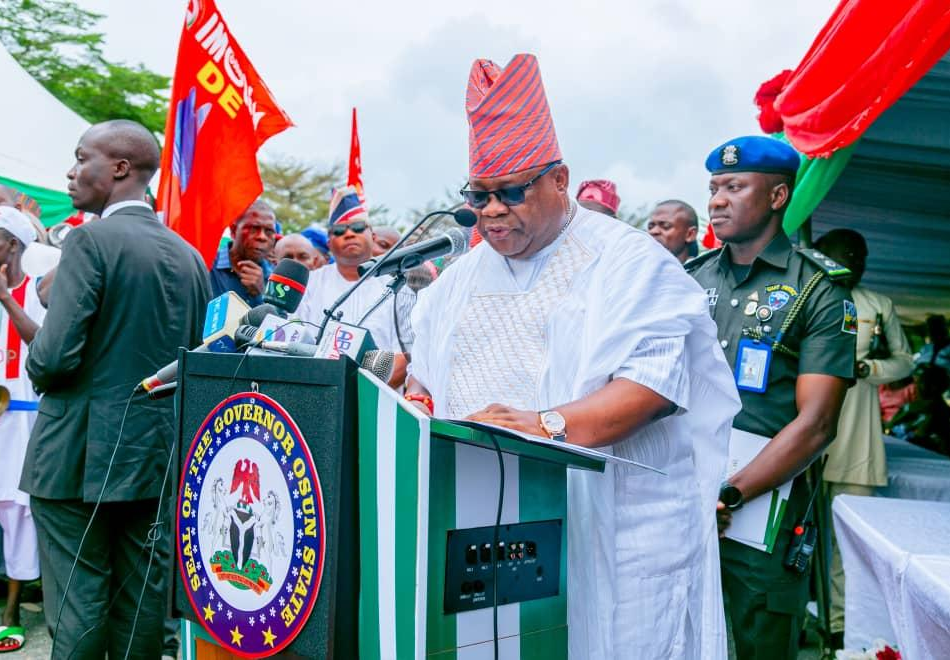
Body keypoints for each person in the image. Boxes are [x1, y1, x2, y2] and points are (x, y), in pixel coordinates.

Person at [406, 53, 740, 659]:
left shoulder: (631, 262)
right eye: (478, 195)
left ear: (559, 180)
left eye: (511, 190)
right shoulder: (453, 284)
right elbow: (426, 385)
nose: (492, 210)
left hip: (613, 531)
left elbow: (654, 385)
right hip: (488, 534)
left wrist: (546, 426)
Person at [21, 119, 211, 658]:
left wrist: (37, 351)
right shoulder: (191, 257)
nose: (71, 170)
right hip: (155, 457)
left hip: (76, 459)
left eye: (82, 157)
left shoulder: (88, 240)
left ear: (121, 168)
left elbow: (53, 359)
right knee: (141, 609)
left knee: (77, 607)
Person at [686, 135, 856, 660]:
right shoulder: (687, 281)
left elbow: (817, 423)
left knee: (759, 643)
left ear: (778, 196)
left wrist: (729, 493)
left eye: (735, 187)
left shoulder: (819, 290)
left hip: (759, 510)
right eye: (714, 188)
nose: (717, 200)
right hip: (679, 496)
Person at [813, 228, 912, 646]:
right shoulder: (803, 295)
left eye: (860, 254)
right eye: (843, 253)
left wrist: (870, 370)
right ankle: (809, 615)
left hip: (857, 429)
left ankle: (841, 626)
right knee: (802, 533)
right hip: (804, 426)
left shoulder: (878, 305)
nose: (853, 259)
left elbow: (904, 361)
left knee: (850, 538)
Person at [295, 186, 407, 386]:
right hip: (318, 391)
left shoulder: (398, 286)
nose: (348, 234)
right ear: (329, 242)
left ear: (372, 237)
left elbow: (405, 357)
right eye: (339, 230)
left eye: (357, 228)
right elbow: (294, 340)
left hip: (377, 399)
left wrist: (359, 391)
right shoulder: (310, 284)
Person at [0, 206, 44, 653]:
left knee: (19, 514)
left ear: (13, 244)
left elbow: (46, 350)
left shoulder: (36, 293)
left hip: (24, 423)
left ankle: (11, 612)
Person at [210, 199, 276, 306]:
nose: (262, 237)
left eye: (269, 231)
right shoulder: (207, 267)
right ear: (233, 231)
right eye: (254, 229)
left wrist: (260, 295)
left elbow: (280, 320)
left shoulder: (276, 279)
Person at [915, 314, 950, 403]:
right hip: (923, 388)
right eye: (931, 329)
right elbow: (917, 364)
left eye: (937, 328)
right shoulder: (926, 348)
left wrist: (941, 372)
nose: (933, 332)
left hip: (947, 390)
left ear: (945, 329)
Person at [648, 199, 699, 265]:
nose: (653, 231)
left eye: (665, 226)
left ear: (690, 234)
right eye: (650, 227)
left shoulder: (705, 273)